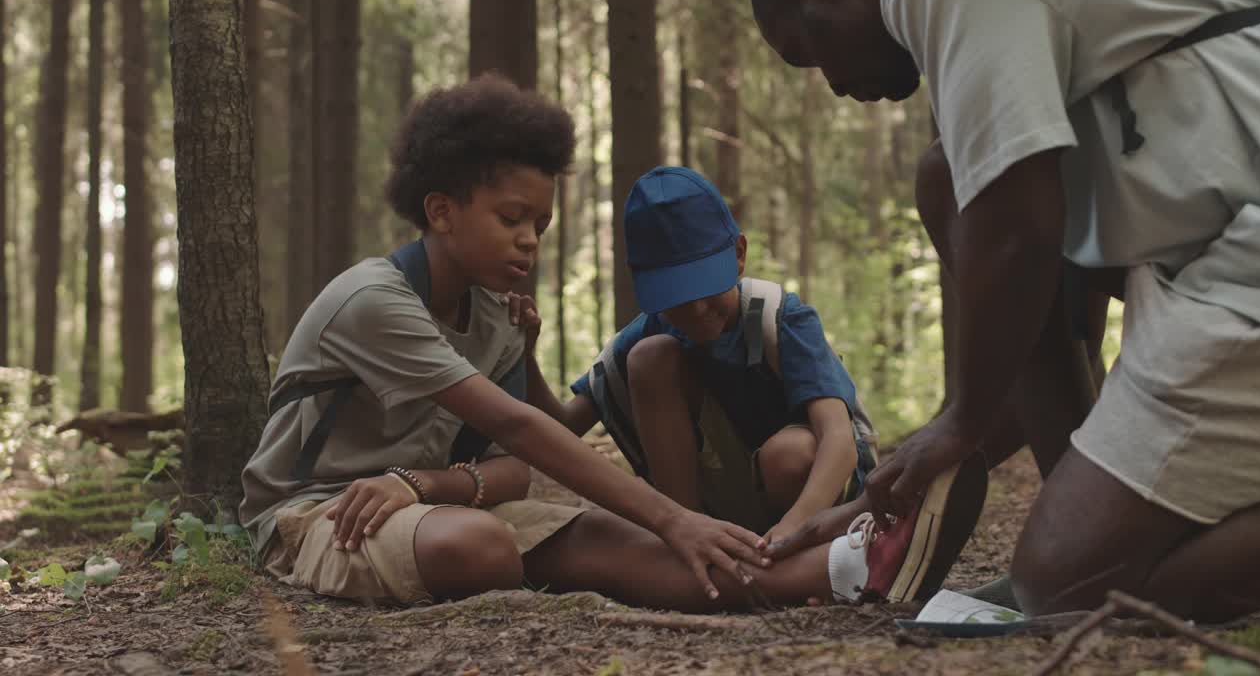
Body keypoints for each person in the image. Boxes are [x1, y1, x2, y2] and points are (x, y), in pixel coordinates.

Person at [237, 75, 906, 611]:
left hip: (427, 506)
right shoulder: (374, 300)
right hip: (318, 515)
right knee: (483, 546)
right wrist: (674, 515)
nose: (530, 239)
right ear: (441, 211)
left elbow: (512, 470)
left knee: (616, 543)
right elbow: (517, 425)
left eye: (542, 223)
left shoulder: (498, 320)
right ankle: (819, 561)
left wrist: (422, 483)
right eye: (511, 218)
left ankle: (848, 566)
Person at [748, 0, 1260, 621]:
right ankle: (1098, 518)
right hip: (1223, 241)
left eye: (811, 54)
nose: (831, 84)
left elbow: (1017, 233)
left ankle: (1098, 550)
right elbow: (1017, 307)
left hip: (1255, 254)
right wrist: (899, 484)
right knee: (949, 178)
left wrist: (963, 419)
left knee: (1067, 587)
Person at [528, 165, 878, 545]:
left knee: (789, 454)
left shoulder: (779, 317)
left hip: (816, 503)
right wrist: (523, 354)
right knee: (649, 357)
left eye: (704, 285)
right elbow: (560, 428)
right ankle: (691, 535)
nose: (695, 310)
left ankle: (810, 552)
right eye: (676, 295)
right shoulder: (650, 331)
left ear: (738, 255)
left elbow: (838, 440)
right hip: (724, 507)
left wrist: (797, 526)